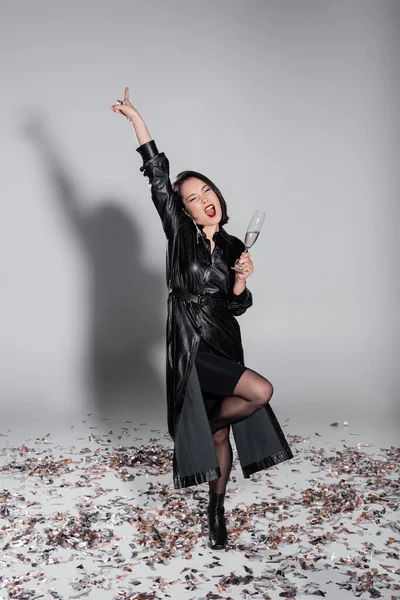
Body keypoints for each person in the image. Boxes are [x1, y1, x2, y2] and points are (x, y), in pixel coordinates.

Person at [111, 88, 293, 550]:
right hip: (189, 341)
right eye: (192, 197)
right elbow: (158, 176)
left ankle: (216, 508)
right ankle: (201, 426)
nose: (203, 199)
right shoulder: (179, 236)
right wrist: (138, 121)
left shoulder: (234, 247)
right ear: (184, 209)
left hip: (225, 339)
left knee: (219, 434)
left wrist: (239, 283)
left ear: (216, 196)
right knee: (260, 392)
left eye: (206, 191)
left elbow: (235, 307)